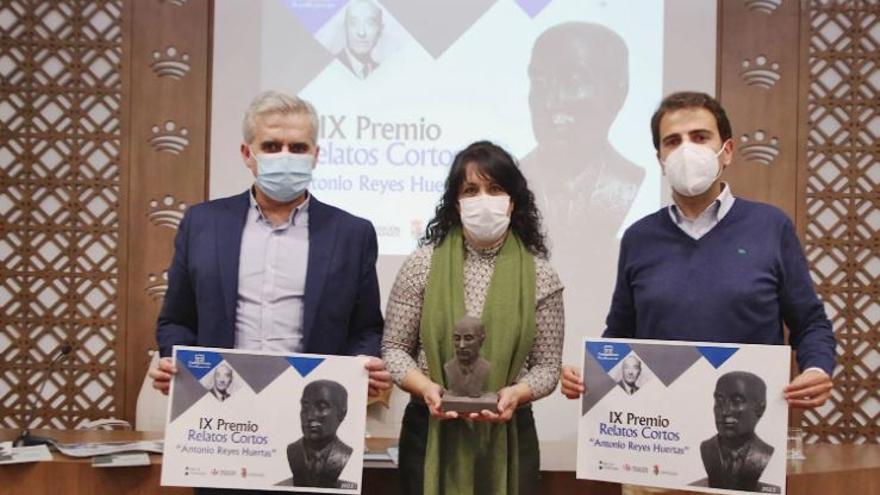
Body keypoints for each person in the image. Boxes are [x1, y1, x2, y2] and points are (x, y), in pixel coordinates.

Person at [148, 91, 391, 494]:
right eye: (271, 146)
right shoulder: (203, 223)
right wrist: (177, 366)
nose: (285, 156)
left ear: (315, 154)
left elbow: (366, 328)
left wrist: (364, 366)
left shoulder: (352, 233)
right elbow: (176, 320)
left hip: (306, 429)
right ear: (248, 153)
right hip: (222, 429)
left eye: (297, 147)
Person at [560, 92, 836, 410]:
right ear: (661, 160)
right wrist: (591, 374)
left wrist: (816, 370)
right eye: (673, 141)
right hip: (659, 426)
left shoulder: (771, 227)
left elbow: (810, 322)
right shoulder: (639, 237)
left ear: (727, 151)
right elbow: (621, 333)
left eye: (700, 137)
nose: (686, 150)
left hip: (746, 416)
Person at [382, 141, 564, 495]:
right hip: (429, 430)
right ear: (456, 201)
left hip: (510, 434)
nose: (484, 199)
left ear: (512, 201)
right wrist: (427, 389)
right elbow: (393, 348)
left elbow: (546, 368)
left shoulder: (541, 275)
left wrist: (515, 394)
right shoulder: (421, 264)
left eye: (495, 189)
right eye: (471, 190)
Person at [519, 22, 645, 371]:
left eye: (574, 81)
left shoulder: (629, 185)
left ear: (618, 95)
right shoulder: (509, 186)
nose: (552, 100)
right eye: (540, 82)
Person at [693, 371, 778, 492]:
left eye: (737, 402)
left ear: (760, 408)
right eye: (720, 401)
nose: (725, 411)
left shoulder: (763, 453)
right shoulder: (707, 448)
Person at [285, 380, 356, 489]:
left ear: (341, 413)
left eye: (321, 407)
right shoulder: (292, 450)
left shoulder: (344, 454)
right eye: (305, 407)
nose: (310, 416)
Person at [444, 316, 491, 398]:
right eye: (457, 339)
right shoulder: (449, 367)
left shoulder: (485, 367)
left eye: (468, 339)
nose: (461, 345)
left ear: (481, 340)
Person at [337, 0, 383, 79]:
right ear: (345, 28)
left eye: (370, 23)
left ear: (380, 30)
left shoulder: (383, 70)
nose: (361, 33)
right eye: (353, 23)